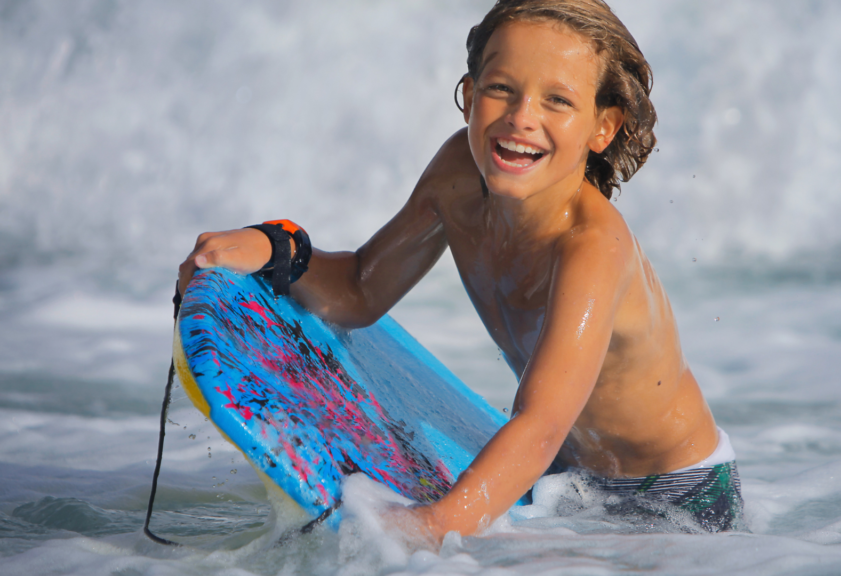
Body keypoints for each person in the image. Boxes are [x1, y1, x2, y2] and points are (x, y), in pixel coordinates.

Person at [177, 0, 742, 545]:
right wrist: (278, 248)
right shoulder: (456, 176)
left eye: (557, 101)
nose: (522, 118)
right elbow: (359, 291)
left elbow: (540, 423)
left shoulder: (593, 247)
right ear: (470, 95)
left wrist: (438, 523)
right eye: (502, 89)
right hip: (566, 472)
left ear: (603, 127)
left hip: (676, 499)